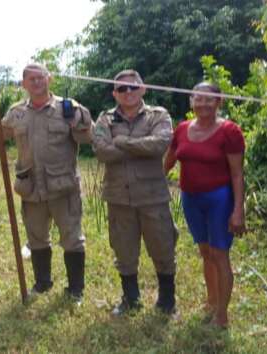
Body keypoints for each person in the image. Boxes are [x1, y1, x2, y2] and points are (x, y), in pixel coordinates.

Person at [0, 64, 93, 303]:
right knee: (37, 237)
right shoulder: (17, 113)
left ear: (50, 79)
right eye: (31, 79)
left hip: (63, 187)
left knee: (72, 237)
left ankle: (76, 290)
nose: (37, 82)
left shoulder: (69, 108)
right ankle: (43, 283)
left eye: (41, 78)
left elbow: (88, 138)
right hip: (31, 188)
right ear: (24, 84)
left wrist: (79, 123)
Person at [92, 70, 178, 315]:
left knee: (163, 247)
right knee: (124, 250)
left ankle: (167, 301)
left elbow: (160, 144)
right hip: (119, 197)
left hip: (153, 197)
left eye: (132, 87)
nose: (127, 92)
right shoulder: (105, 119)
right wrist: (140, 147)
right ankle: (131, 299)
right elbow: (100, 151)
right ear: (114, 93)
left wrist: (121, 142)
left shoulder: (158, 115)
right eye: (121, 89)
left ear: (143, 89)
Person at [164, 82, 246, 328]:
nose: (202, 103)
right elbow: (167, 163)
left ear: (219, 102)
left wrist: (238, 210)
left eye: (209, 99)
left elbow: (237, 175)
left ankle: (222, 315)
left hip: (219, 199)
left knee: (220, 254)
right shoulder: (181, 129)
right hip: (190, 199)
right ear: (191, 102)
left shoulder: (230, 131)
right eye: (197, 98)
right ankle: (211, 302)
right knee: (205, 253)